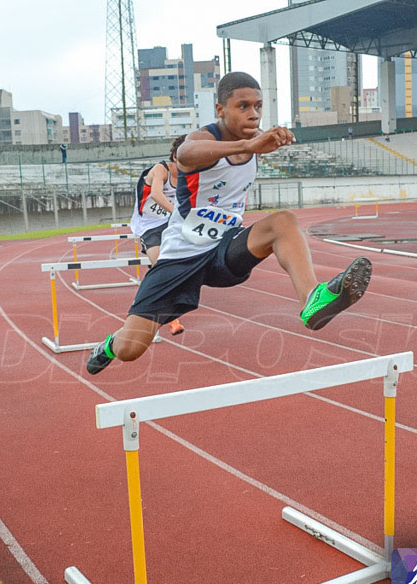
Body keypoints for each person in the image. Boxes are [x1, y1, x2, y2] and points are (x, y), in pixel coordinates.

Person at [86, 72, 372, 375]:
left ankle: (312, 300)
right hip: (180, 256)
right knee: (130, 350)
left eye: (258, 106)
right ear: (221, 110)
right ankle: (110, 344)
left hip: (224, 249)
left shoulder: (258, 139)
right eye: (243, 106)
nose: (253, 114)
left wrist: (266, 140)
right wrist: (247, 147)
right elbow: (186, 152)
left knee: (284, 222)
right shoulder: (206, 139)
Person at [129, 134, 187, 335]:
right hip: (150, 224)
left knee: (177, 265)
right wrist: (178, 213)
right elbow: (156, 194)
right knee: (159, 264)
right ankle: (171, 319)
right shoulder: (160, 169)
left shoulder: (192, 173)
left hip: (172, 222)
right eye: (185, 160)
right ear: (175, 157)